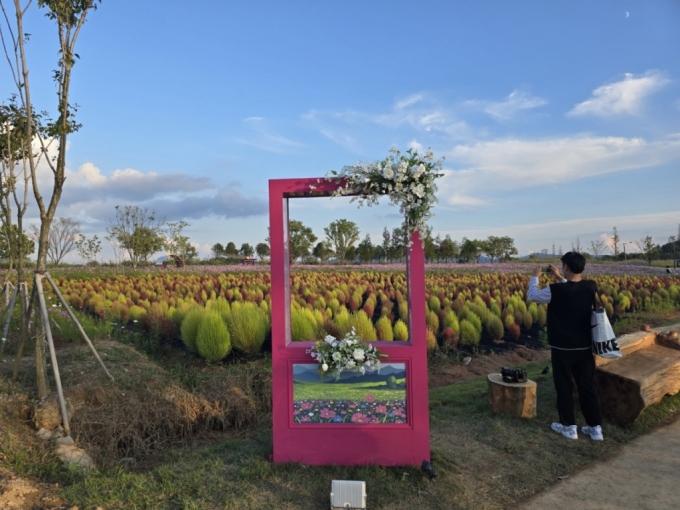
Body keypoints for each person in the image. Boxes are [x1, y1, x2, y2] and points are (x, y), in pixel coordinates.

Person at [527, 252, 603, 441]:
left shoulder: (554, 290)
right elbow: (573, 289)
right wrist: (560, 278)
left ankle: (569, 427)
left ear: (567, 267)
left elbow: (532, 296)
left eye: (563, 267)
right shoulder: (590, 286)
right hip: (585, 345)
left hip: (562, 347)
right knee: (587, 385)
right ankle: (595, 428)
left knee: (564, 386)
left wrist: (535, 277)